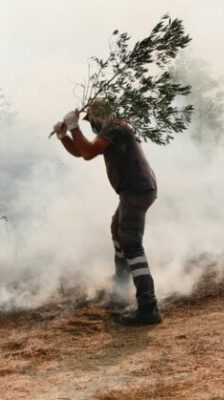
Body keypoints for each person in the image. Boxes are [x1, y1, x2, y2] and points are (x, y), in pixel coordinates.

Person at [54, 99, 162, 326]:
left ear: (100, 113)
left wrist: (74, 128)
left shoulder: (115, 127)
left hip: (137, 190)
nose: (90, 122)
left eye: (90, 118)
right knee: (117, 231)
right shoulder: (111, 129)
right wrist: (64, 136)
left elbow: (88, 153)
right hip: (133, 191)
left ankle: (148, 307)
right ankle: (120, 292)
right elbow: (81, 151)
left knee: (131, 243)